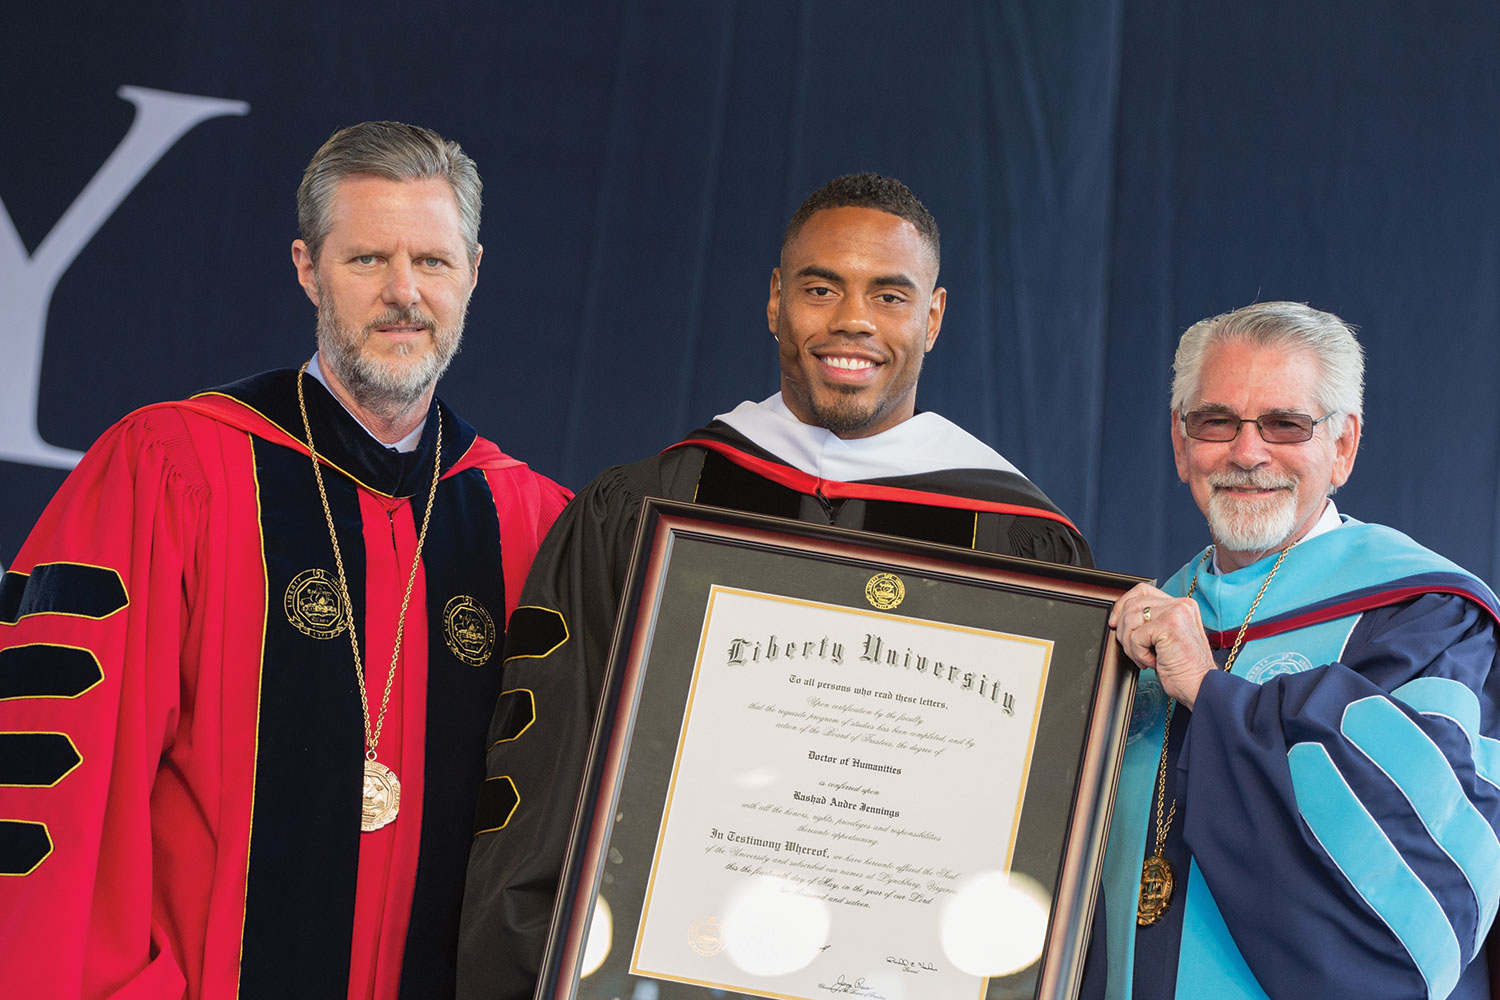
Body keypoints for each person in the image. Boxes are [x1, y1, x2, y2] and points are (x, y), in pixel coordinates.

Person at [458, 172, 1093, 997]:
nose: (853, 321)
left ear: (933, 319)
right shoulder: (649, 508)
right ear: (774, 300)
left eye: (890, 295)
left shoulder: (1023, 548)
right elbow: (543, 782)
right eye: (821, 288)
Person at [0, 121, 571, 997]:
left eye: (433, 262)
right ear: (307, 268)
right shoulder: (173, 469)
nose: (403, 294)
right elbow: (58, 781)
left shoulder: (529, 520)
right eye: (367, 260)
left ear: (475, 274)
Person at [1101, 302, 1499, 998]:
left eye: (1285, 425)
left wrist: (1210, 691)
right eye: (1215, 421)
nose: (1247, 454)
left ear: (1342, 446)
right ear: (1180, 440)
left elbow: (1418, 882)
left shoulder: (1422, 619)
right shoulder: (1134, 629)